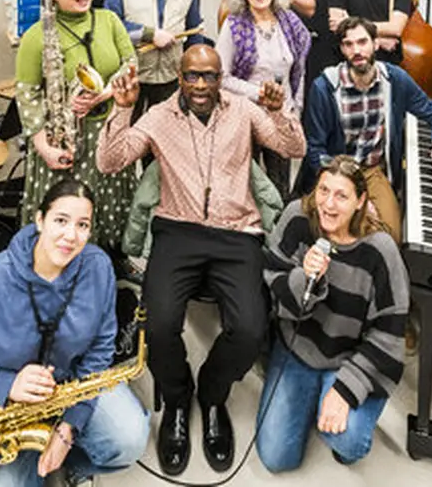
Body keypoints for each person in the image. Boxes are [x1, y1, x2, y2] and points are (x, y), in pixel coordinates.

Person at [96, 44, 306, 476]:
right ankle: (176, 397)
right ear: (179, 77)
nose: (200, 85)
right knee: (158, 325)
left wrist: (281, 109)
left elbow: (294, 148)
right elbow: (109, 161)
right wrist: (122, 110)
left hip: (237, 233)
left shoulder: (244, 111)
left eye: (209, 76)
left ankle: (211, 396)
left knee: (249, 328)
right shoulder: (158, 118)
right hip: (177, 230)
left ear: (220, 75)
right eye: (192, 76)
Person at [0, 179, 149, 486]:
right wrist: (7, 383)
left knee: (128, 439)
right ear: (39, 220)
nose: (70, 236)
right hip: (6, 404)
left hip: (74, 386)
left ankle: (67, 467)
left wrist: (69, 427)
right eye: (61, 221)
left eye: (83, 225)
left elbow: (101, 349)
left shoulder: (98, 267)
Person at [255, 155, 409, 472]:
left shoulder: (380, 250)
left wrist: (346, 387)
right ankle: (313, 396)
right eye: (323, 190)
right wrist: (304, 277)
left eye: (342, 195)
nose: (328, 204)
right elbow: (271, 278)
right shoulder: (297, 217)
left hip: (347, 358)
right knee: (275, 458)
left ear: (361, 202)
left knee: (347, 440)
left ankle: (337, 399)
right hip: (298, 350)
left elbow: (390, 331)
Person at [15, 0, 137, 267]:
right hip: (63, 139)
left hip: (106, 131)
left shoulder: (109, 20)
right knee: (68, 218)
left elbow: (130, 63)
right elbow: (27, 96)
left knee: (106, 208)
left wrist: (104, 94)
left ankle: (106, 267)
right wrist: (43, 147)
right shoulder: (36, 35)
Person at [301, 17, 432, 245]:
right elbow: (314, 150)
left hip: (372, 171)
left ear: (375, 44)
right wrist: (349, 195)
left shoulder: (395, 79)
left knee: (390, 238)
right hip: (337, 170)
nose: (357, 50)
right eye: (349, 44)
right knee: (330, 232)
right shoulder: (324, 87)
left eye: (362, 42)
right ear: (343, 49)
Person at [216, 0, 311, 197]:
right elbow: (220, 77)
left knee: (279, 187)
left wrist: (295, 110)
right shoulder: (234, 25)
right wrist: (259, 93)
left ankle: (278, 233)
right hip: (245, 117)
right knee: (248, 186)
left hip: (282, 115)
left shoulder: (290, 21)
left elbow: (299, 71)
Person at [105, 0, 205, 121]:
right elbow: (111, 25)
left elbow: (195, 30)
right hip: (132, 75)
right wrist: (149, 34)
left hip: (170, 76)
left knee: (164, 138)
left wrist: (194, 72)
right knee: (128, 134)